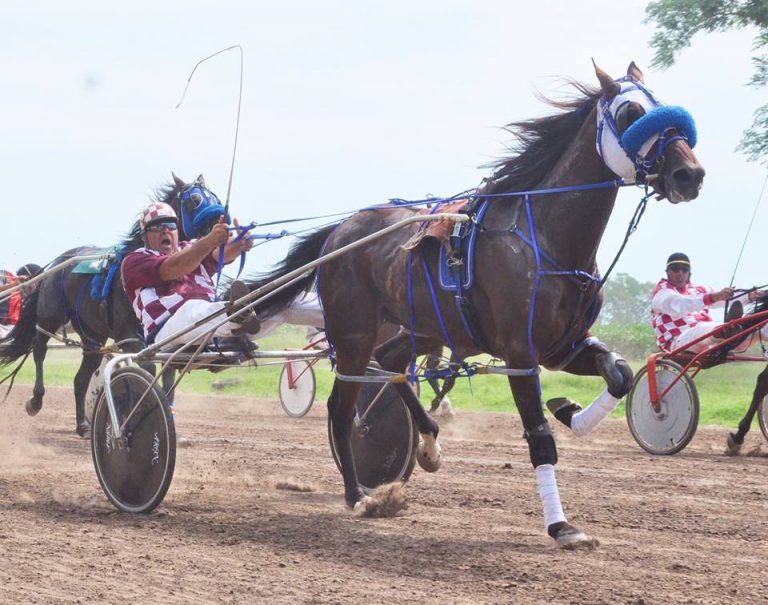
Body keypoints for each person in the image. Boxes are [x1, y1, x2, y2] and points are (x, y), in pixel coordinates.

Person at [121, 201, 259, 349]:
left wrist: (238, 243)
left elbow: (219, 253)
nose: (165, 230)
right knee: (191, 309)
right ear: (144, 236)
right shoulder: (135, 260)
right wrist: (210, 240)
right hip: (164, 331)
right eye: (157, 227)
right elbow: (173, 267)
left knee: (201, 309)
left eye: (171, 225)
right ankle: (235, 315)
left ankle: (238, 315)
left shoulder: (192, 247)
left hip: (207, 324)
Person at [651, 252, 767, 353]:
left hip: (709, 340)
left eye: (684, 269)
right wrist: (713, 297)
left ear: (689, 273)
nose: (680, 273)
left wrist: (750, 296)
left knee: (758, 330)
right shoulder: (662, 292)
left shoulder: (699, 289)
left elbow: (725, 298)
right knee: (701, 329)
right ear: (668, 272)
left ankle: (729, 330)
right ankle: (725, 329)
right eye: (675, 269)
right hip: (678, 341)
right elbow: (680, 305)